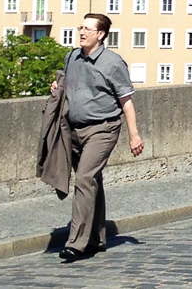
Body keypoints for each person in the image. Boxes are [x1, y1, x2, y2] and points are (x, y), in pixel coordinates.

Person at [54, 13, 143, 263]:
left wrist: (134, 135)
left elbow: (126, 101)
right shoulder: (72, 57)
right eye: (80, 28)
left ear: (101, 35)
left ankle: (76, 243)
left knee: (83, 179)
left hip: (103, 129)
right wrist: (56, 85)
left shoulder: (113, 63)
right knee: (93, 181)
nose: (81, 32)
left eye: (88, 29)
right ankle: (97, 238)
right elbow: (67, 83)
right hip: (74, 129)